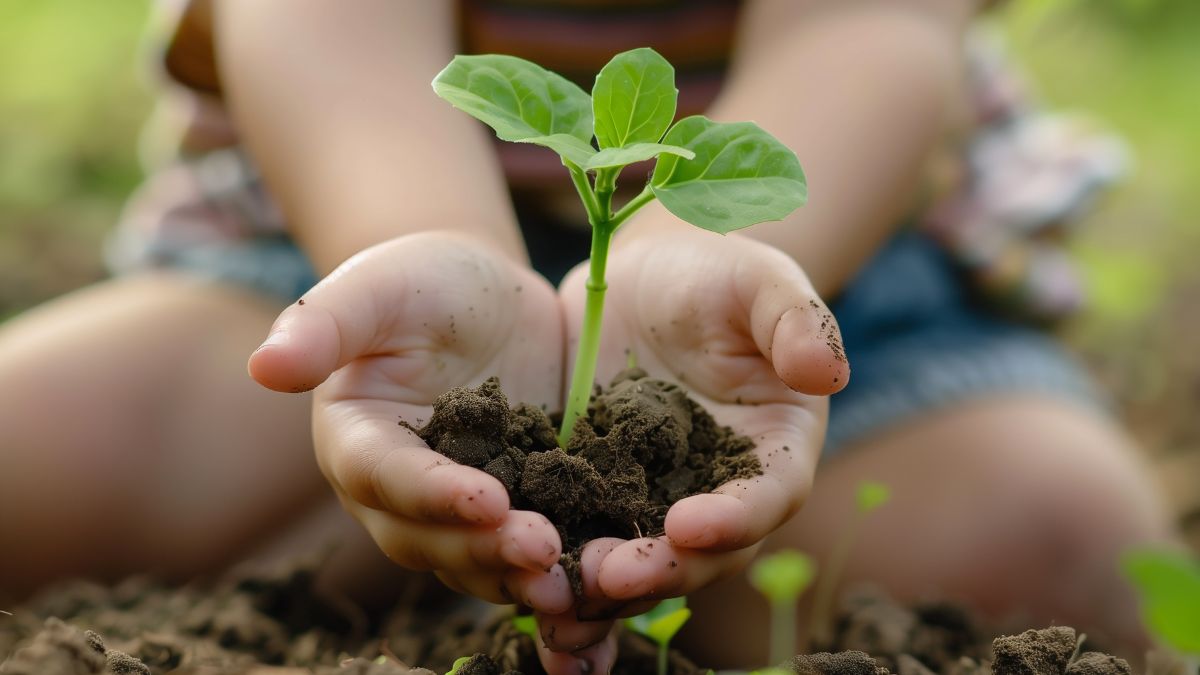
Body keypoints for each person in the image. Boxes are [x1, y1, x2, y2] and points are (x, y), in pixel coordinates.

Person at [0, 1, 1173, 673]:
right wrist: (431, 258)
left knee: (1068, 548)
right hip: (349, 253)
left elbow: (869, 26)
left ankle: (584, 575)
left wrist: (679, 255)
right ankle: (449, 524)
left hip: (792, 295)